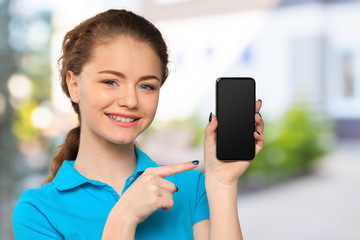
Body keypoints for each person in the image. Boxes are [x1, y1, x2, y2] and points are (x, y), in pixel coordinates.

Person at [12, 9, 264, 240]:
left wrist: (223, 183)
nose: (131, 101)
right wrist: (123, 218)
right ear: (74, 85)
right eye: (111, 81)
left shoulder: (190, 187)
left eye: (146, 86)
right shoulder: (37, 212)